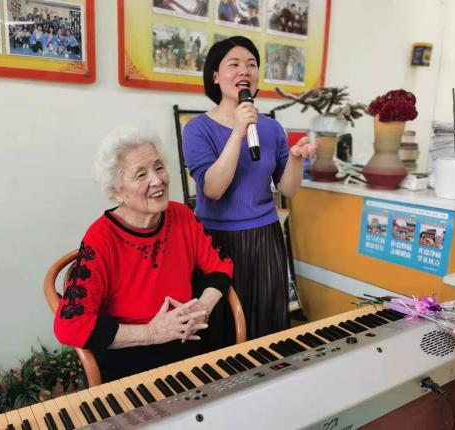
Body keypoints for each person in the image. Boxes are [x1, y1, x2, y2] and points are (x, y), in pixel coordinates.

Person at [54, 129, 233, 382]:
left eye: (159, 168)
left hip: (188, 342)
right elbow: (70, 325)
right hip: (131, 357)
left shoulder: (181, 216)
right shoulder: (101, 238)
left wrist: (203, 307)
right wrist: (151, 332)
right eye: (141, 174)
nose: (157, 180)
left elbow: (220, 267)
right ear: (117, 191)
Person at [182, 36, 316, 346]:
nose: (245, 70)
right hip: (215, 242)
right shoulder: (197, 129)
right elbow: (213, 189)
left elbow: (288, 189)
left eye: (252, 65)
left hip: (265, 238)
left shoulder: (270, 128)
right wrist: (238, 131)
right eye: (234, 64)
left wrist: (295, 158)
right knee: (221, 328)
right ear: (215, 76)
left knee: (266, 325)